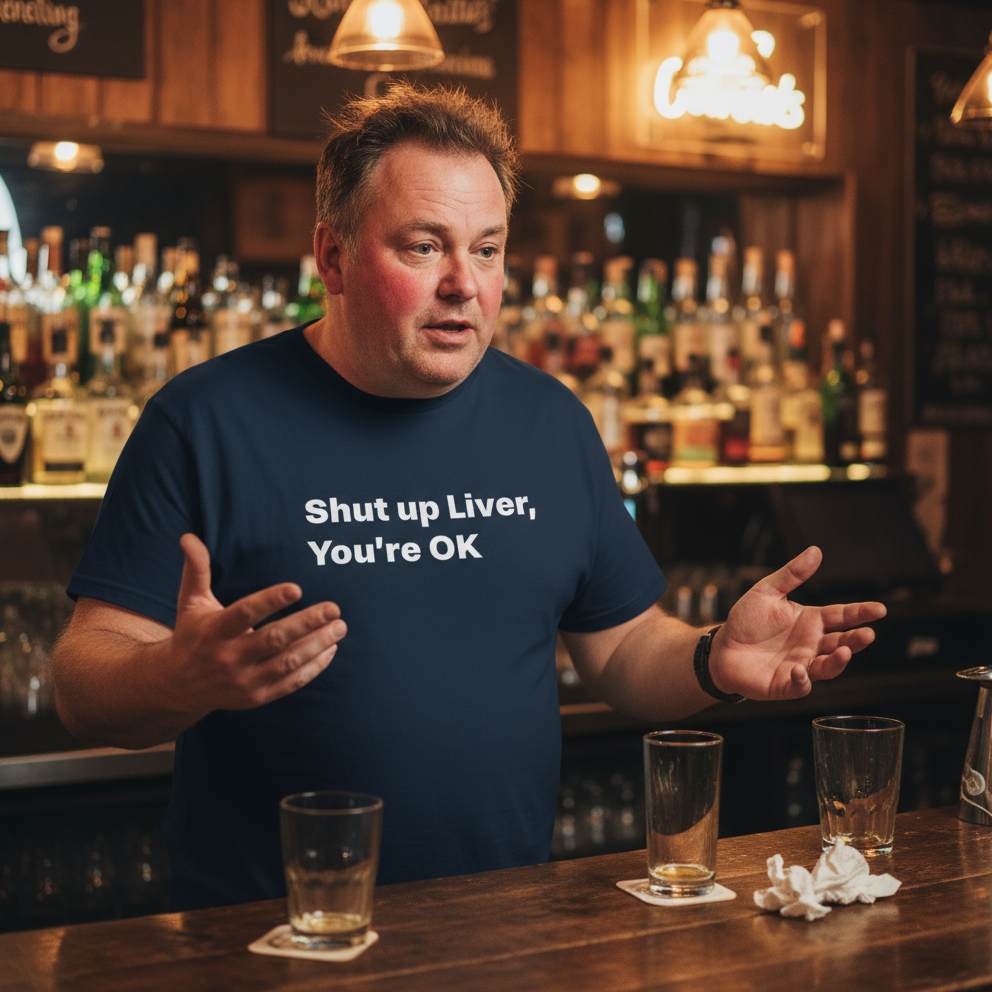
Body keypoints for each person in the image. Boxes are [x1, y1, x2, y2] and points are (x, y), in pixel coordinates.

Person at [53, 83, 885, 911]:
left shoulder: (550, 421)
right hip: (273, 939)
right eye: (423, 246)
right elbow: (81, 684)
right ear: (332, 257)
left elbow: (625, 650)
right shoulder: (203, 421)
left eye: (487, 250)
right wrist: (180, 675)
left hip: (507, 929)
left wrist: (713, 658)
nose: (464, 283)